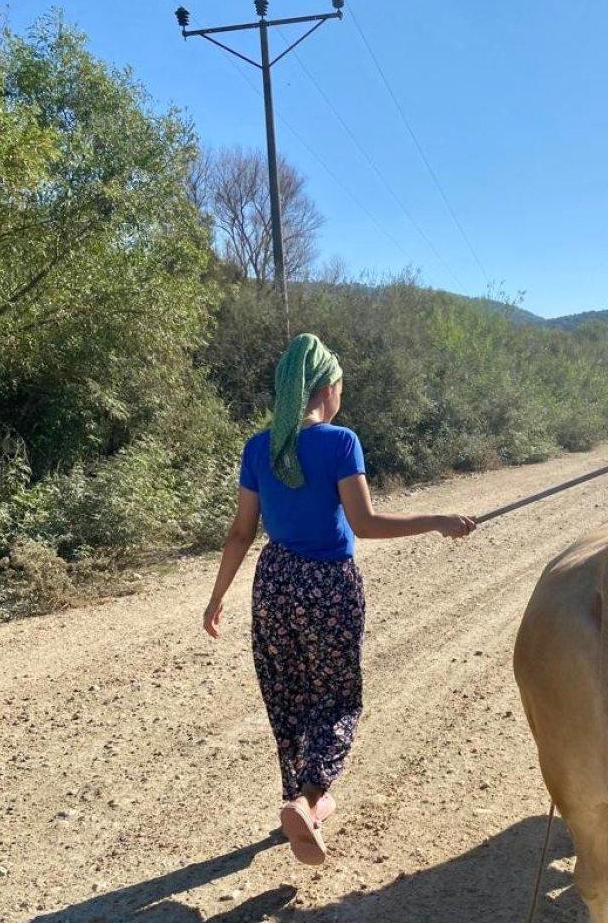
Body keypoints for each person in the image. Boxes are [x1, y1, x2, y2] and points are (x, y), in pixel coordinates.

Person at [203, 333, 477, 865]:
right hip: (327, 584)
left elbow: (240, 532)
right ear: (328, 389)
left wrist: (216, 599)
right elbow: (365, 523)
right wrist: (438, 521)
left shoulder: (259, 447)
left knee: (288, 694)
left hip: (274, 583)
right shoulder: (340, 442)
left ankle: (302, 795)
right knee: (336, 696)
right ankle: (308, 800)